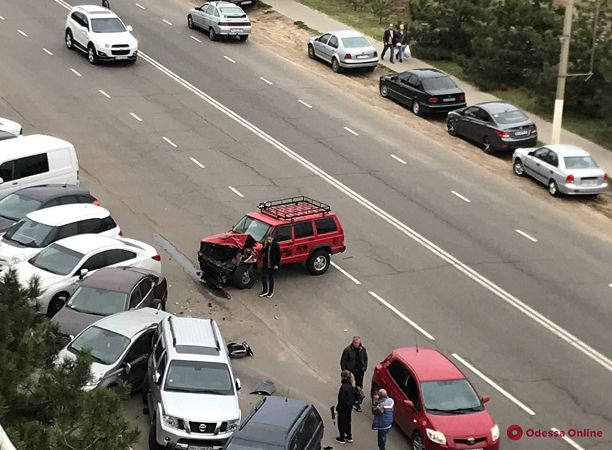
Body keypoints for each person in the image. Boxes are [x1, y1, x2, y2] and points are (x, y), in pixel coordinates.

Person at [340, 336, 368, 412]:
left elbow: (365, 359)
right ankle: (350, 400)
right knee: (351, 386)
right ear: (353, 342)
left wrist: (364, 367)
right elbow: (343, 361)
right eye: (355, 343)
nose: (356, 344)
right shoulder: (347, 350)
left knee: (359, 387)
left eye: (358, 343)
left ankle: (356, 402)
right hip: (350, 372)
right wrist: (345, 372)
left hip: (359, 372)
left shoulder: (362, 349)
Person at [335, 370, 356, 444]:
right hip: (349, 407)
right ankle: (349, 436)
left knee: (341, 422)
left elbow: (341, 399)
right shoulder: (353, 386)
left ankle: (342, 438)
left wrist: (337, 409)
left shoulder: (343, 387)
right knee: (348, 421)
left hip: (343, 407)